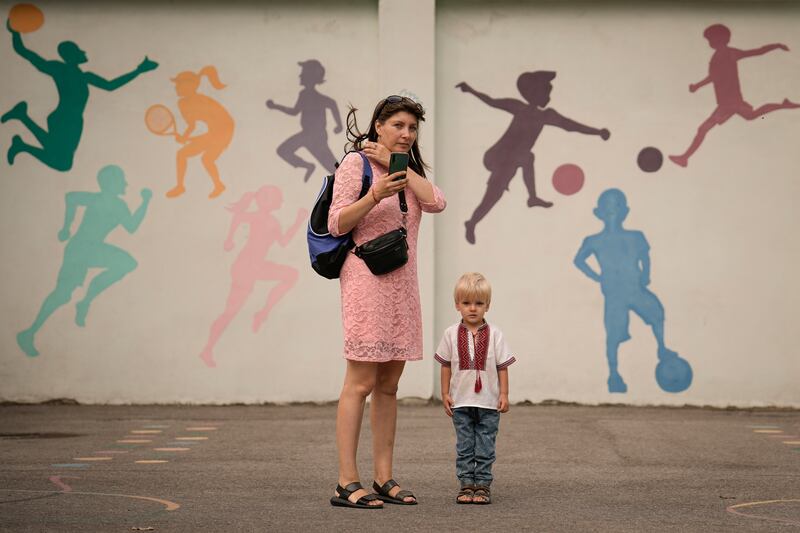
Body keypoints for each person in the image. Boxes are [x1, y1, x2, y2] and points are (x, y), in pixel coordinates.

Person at [327, 96, 446, 509]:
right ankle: (346, 481)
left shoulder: (409, 170)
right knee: (359, 383)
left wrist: (404, 168)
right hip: (365, 283)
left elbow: (436, 201)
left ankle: (383, 477)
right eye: (398, 125)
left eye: (412, 128)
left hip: (401, 285)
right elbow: (336, 222)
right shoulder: (355, 165)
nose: (406, 133)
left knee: (389, 387)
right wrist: (376, 192)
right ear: (378, 125)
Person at [456, 71, 609, 244]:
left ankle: (474, 221)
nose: (549, 96)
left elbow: (571, 126)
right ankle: (529, 198)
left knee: (497, 191)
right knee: (524, 160)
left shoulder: (546, 115)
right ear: (534, 93)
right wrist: (470, 90)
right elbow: (491, 101)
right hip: (498, 157)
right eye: (546, 92)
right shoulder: (518, 107)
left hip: (514, 162)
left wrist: (598, 132)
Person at [16, 165, 152, 357]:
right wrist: (66, 227)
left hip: (91, 248)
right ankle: (29, 332)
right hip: (80, 249)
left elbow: (131, 226)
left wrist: (145, 202)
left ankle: (85, 302)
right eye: (122, 179)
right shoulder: (100, 200)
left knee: (126, 263)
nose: (126, 183)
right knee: (62, 294)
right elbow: (71, 198)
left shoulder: (117, 205)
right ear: (111, 183)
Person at [2, 21, 158, 171]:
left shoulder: (85, 76)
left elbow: (111, 85)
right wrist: (15, 33)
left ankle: (22, 123)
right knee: (63, 163)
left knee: (60, 159)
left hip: (73, 120)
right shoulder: (59, 69)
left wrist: (138, 70)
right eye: (79, 50)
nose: (83, 52)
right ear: (71, 55)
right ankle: (22, 129)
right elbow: (26, 53)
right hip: (64, 119)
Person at [573, 189, 680, 393]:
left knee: (657, 312)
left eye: (617, 205)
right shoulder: (593, 240)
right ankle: (614, 374)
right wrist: (598, 277)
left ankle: (662, 348)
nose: (613, 210)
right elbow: (578, 260)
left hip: (635, 288)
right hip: (614, 294)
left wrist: (646, 274)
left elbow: (645, 257)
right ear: (599, 212)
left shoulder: (635, 237)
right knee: (613, 334)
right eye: (608, 205)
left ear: (625, 210)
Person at [199, 186, 307, 368]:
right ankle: (208, 348)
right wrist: (230, 238)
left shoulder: (271, 222)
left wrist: (298, 221)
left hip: (257, 266)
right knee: (231, 311)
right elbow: (239, 217)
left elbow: (282, 242)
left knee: (291, 275)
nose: (281, 202)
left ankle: (262, 313)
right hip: (245, 267)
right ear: (266, 200)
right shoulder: (258, 218)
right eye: (277, 198)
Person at [669, 24, 799, 168]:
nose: (710, 42)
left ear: (722, 38)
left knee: (703, 129)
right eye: (709, 40)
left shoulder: (729, 53)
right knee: (751, 115)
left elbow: (757, 52)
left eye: (711, 39)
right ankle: (784, 105)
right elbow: (713, 76)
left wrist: (776, 45)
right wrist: (698, 86)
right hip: (731, 101)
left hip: (728, 103)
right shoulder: (719, 56)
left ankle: (685, 158)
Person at [435, 272, 516, 505]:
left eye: (479, 303)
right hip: (461, 402)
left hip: (488, 403)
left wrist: (504, 394)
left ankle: (482, 485)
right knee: (464, 445)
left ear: (487, 306)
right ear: (457, 305)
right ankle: (466, 484)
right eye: (467, 303)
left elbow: (502, 367)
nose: (473, 308)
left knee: (485, 445)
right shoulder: (450, 334)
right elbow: (445, 365)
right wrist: (445, 394)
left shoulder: (496, 335)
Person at [266, 59, 343, 182]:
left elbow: (332, 103)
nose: (300, 75)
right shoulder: (304, 94)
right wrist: (276, 106)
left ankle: (349, 182)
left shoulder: (317, 97)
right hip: (306, 135)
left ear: (310, 76)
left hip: (317, 137)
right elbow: (294, 111)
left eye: (303, 73)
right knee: (283, 150)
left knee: (335, 170)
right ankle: (307, 165)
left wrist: (339, 124)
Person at [166, 66, 234, 199]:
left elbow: (201, 127)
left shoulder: (198, 101)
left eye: (178, 84)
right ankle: (181, 186)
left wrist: (186, 138)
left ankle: (218, 185)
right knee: (182, 154)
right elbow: (194, 126)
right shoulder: (183, 103)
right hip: (216, 131)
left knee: (206, 159)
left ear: (188, 86)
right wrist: (186, 137)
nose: (176, 87)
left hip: (224, 129)